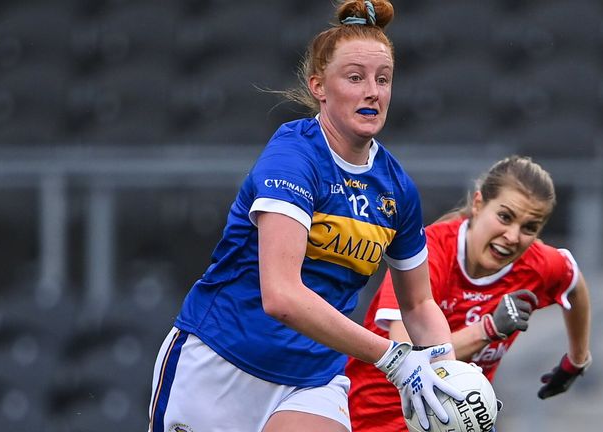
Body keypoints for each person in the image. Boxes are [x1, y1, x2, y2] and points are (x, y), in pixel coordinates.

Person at [146, 1, 465, 431]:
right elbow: (281, 296)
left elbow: (419, 304)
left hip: (313, 379)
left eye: (383, 79)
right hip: (221, 361)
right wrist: (392, 357)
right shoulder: (293, 158)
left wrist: (447, 375)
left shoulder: (397, 188)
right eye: (355, 77)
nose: (373, 91)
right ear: (319, 85)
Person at [345, 155, 593, 432]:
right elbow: (408, 356)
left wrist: (577, 359)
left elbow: (573, 282)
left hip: (466, 423)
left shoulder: (537, 264)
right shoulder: (427, 253)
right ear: (478, 204)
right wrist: (487, 329)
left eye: (529, 228)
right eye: (505, 217)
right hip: (379, 421)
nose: (513, 236)